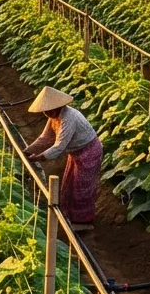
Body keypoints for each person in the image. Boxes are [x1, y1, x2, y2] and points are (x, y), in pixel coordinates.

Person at [24, 86, 102, 231]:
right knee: (70, 183)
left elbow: (60, 146)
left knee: (82, 186)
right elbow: (46, 137)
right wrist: (28, 151)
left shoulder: (69, 118)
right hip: (76, 153)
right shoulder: (55, 117)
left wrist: (39, 157)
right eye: (45, 111)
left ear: (57, 107)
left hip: (89, 152)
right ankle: (70, 215)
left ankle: (83, 222)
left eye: (48, 110)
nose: (46, 113)